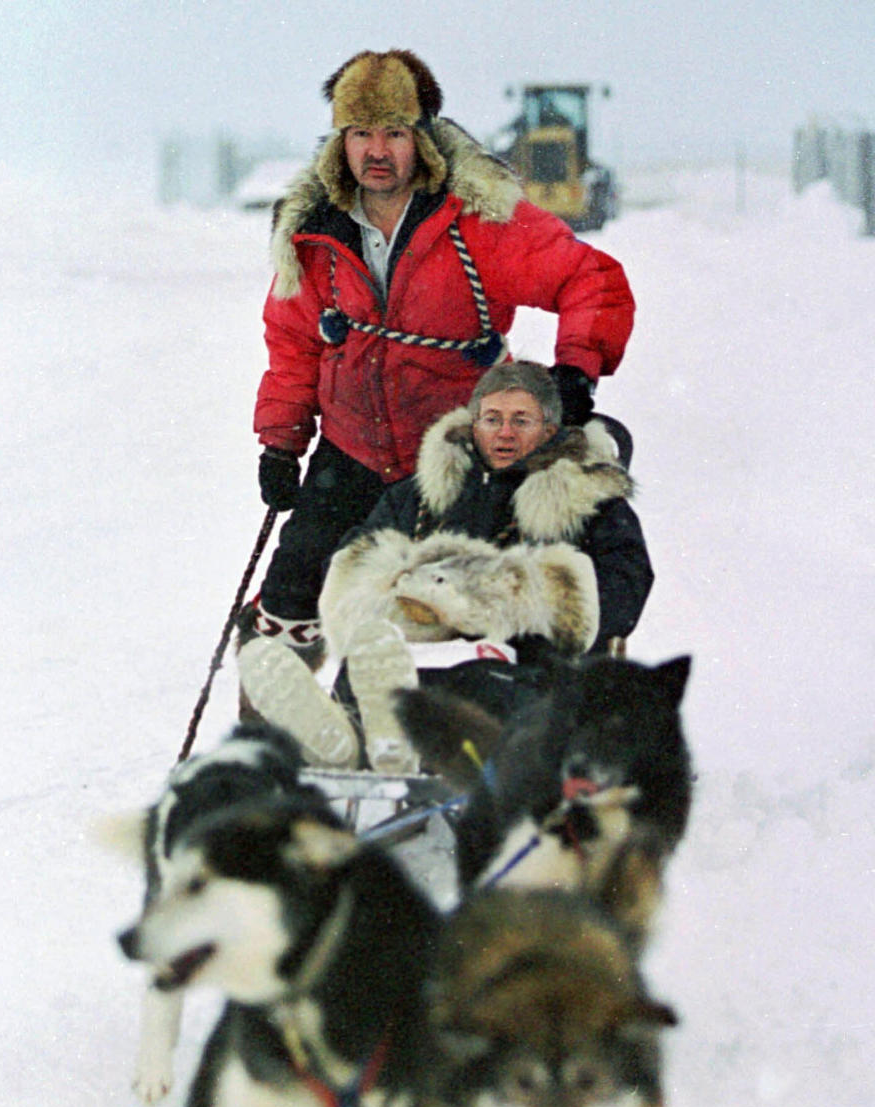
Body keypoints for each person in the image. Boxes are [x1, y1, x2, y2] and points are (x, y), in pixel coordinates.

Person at [241, 48, 636, 669]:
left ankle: (470, 717)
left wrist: (574, 371)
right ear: (340, 142)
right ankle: (269, 740)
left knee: (453, 602)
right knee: (290, 600)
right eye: (361, 133)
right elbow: (293, 342)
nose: (377, 151)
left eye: (394, 133)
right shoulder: (316, 235)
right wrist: (281, 439)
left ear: (420, 139)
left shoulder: (481, 224)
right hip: (351, 449)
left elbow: (593, 280)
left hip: (459, 454)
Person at [238, 360, 653, 774]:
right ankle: (353, 740)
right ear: (474, 424)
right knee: (375, 663)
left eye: (520, 420)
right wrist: (408, 601)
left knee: (481, 687)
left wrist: (508, 601)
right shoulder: (420, 494)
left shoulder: (590, 502)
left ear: (549, 429)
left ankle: (374, 744)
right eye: (492, 419)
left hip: (524, 666)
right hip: (415, 649)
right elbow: (356, 558)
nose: (504, 432)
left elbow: (625, 586)